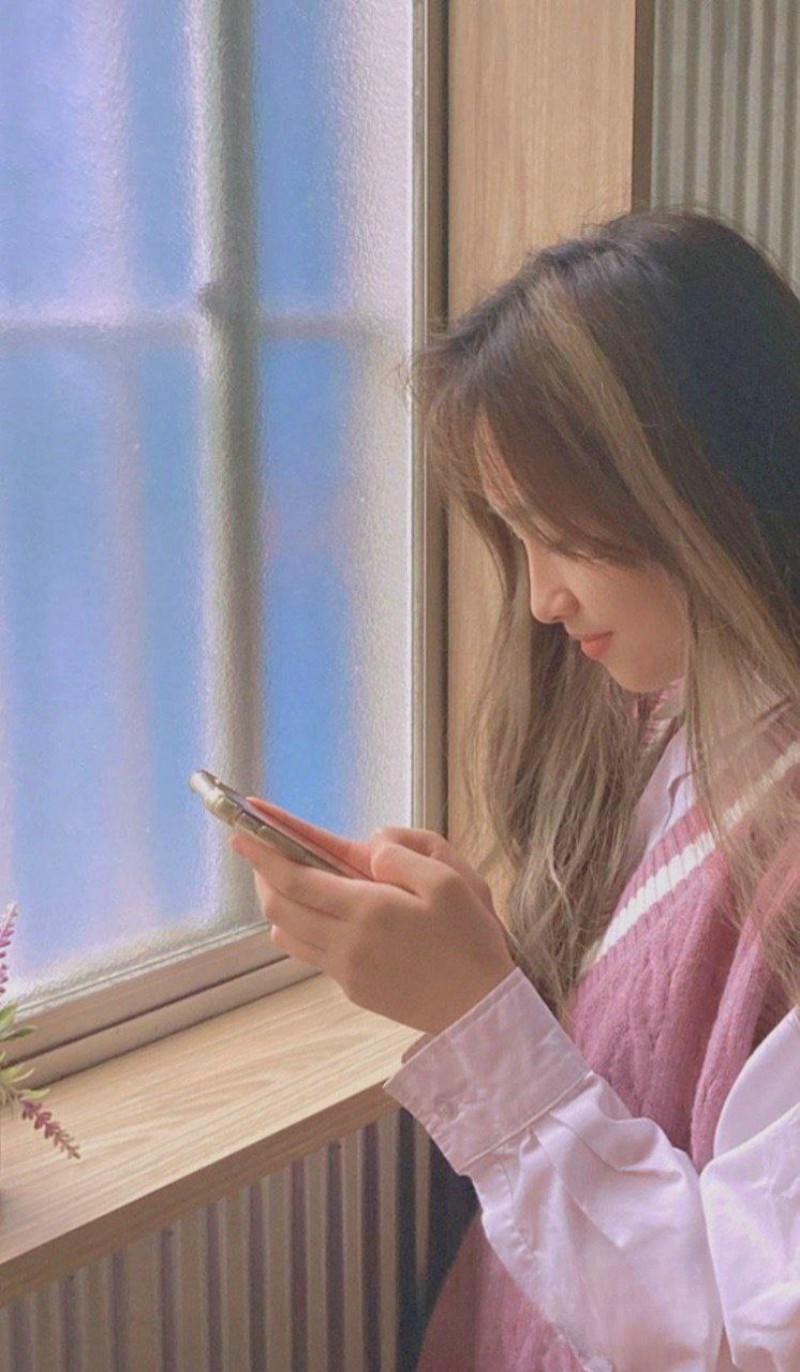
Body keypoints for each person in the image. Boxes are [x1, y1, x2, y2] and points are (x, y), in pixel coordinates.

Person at [231, 209, 799, 1370]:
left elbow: (736, 1330)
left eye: (564, 538)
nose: (541, 598)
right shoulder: (678, 722)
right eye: (517, 539)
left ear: (698, 487)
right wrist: (474, 961)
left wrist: (475, 1015)